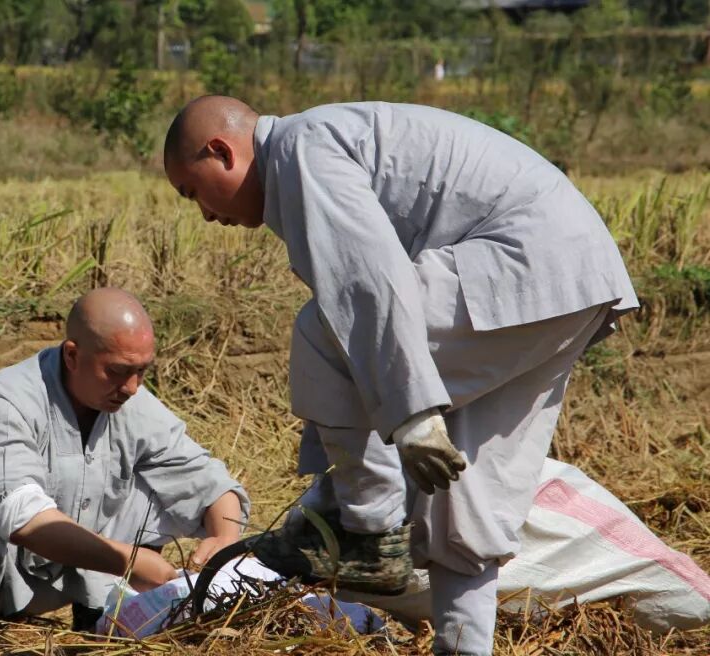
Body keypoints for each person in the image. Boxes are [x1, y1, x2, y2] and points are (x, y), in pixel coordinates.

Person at [162, 96, 637, 655]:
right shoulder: (319, 145)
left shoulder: (302, 148)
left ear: (221, 152)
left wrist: (409, 416)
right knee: (464, 500)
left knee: (325, 334)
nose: (205, 215)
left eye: (192, 191)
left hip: (520, 257)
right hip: (572, 279)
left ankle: (368, 531)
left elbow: (368, 285)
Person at [0, 287, 249, 630]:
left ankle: (108, 614)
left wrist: (224, 538)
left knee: (159, 490)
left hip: (72, 577)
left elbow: (203, 477)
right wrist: (128, 561)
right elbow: (22, 518)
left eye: (142, 371)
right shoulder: (5, 398)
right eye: (119, 371)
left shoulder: (131, 401)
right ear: (73, 355)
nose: (133, 387)